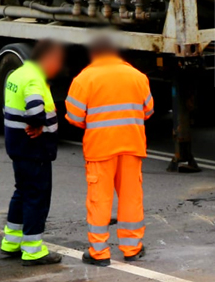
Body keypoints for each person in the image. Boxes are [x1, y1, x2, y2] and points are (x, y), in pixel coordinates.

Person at [65, 36, 154, 266]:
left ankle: (99, 253)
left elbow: (74, 118)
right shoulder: (138, 76)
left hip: (100, 149)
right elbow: (148, 111)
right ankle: (132, 248)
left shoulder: (84, 78)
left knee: (99, 201)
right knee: (131, 199)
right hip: (132, 147)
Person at [0, 39, 65, 266]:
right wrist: (37, 123)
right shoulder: (34, 79)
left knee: (22, 192)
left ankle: (11, 241)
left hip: (17, 147)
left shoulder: (17, 74)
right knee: (37, 197)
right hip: (34, 149)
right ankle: (33, 250)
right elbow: (35, 107)